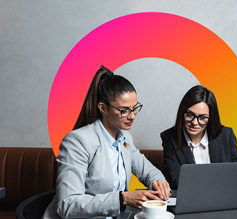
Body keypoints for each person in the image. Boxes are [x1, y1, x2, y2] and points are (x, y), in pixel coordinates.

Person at [43, 66, 170, 219]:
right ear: (102, 108)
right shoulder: (78, 141)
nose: (132, 116)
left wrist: (158, 182)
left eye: (135, 108)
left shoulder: (125, 138)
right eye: (124, 110)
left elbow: (149, 171)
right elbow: (68, 204)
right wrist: (122, 199)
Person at [161, 85, 237, 189]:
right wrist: (223, 180)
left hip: (224, 198)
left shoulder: (226, 135)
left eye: (202, 118)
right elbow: (176, 180)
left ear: (211, 118)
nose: (195, 122)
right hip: (191, 200)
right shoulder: (169, 138)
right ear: (182, 113)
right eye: (190, 115)